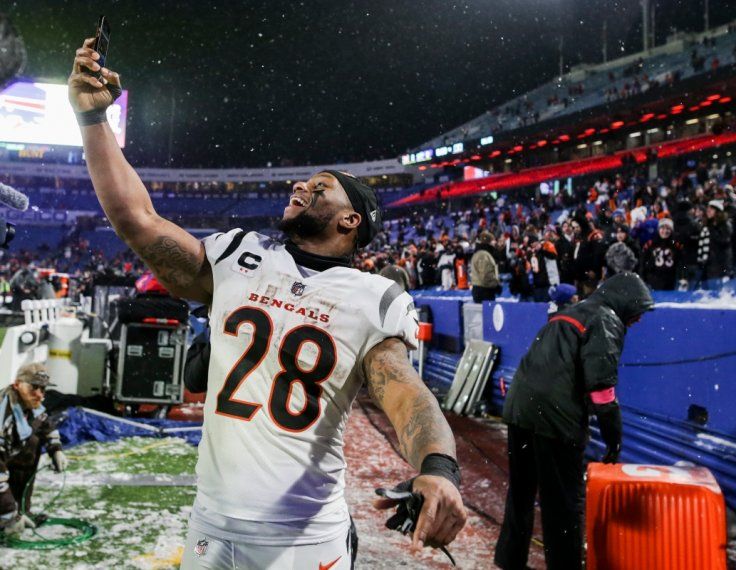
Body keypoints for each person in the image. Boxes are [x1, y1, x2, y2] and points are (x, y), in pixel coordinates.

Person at [69, 39, 465, 569]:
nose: (302, 185)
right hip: (211, 522)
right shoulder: (240, 254)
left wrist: (438, 467)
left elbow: (405, 393)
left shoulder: (374, 296)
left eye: (321, 187)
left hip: (304, 537)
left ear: (351, 220)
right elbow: (137, 220)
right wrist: (93, 119)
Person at [496, 273, 654, 569]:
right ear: (625, 301)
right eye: (639, 310)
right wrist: (614, 439)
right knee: (563, 504)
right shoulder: (605, 319)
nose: (639, 318)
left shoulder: (570, 311)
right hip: (555, 418)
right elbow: (602, 389)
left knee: (521, 491)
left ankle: (510, 560)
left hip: (520, 409)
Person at [1, 363, 68, 536]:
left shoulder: (29, 402)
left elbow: (45, 423)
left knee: (32, 443)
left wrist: (56, 449)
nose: (39, 394)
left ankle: (21, 510)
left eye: (43, 389)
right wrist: (9, 514)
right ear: (17, 384)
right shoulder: (3, 416)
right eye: (34, 387)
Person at [470, 231, 501, 303]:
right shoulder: (483, 255)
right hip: (484, 290)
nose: (495, 242)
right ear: (488, 242)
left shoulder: (482, 253)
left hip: (481, 289)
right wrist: (495, 285)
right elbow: (485, 275)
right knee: (487, 310)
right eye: (493, 240)